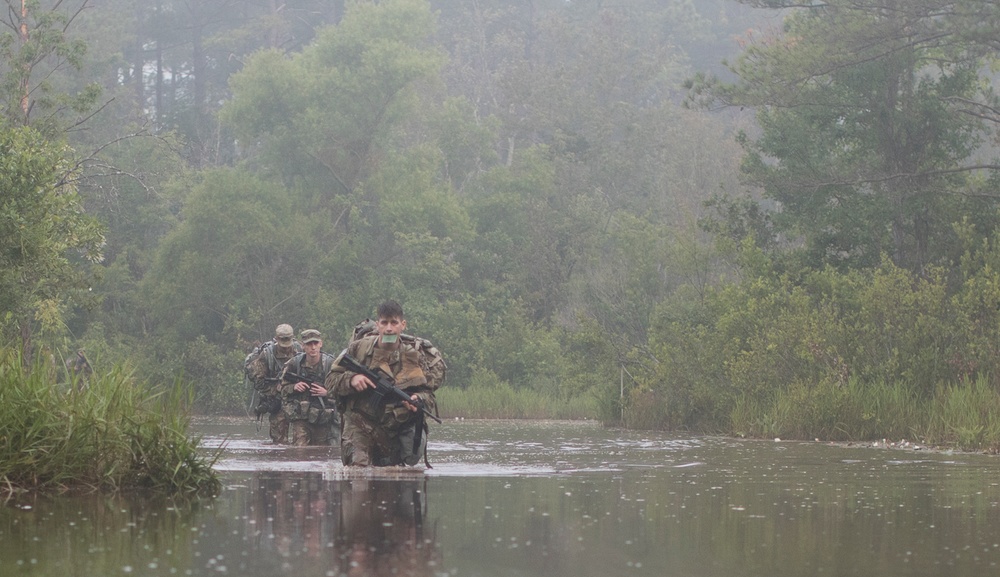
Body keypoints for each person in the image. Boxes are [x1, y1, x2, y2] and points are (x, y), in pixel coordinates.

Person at [327, 300, 445, 466]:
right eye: (384, 323)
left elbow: (429, 394)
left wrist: (418, 399)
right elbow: (330, 382)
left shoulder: (415, 356)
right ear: (378, 325)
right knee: (358, 475)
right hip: (359, 425)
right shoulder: (358, 349)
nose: (389, 328)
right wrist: (351, 380)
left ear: (402, 325)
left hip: (394, 430)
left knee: (392, 482)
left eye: (394, 323)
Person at [279, 329, 338, 446]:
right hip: (301, 417)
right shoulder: (294, 364)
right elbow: (281, 389)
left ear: (321, 344)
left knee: (321, 453)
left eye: (315, 343)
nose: (313, 347)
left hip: (323, 418)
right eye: (309, 344)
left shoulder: (331, 364)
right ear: (302, 346)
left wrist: (327, 393)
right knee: (300, 451)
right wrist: (294, 387)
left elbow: (343, 390)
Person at [248, 324, 302, 443]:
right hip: (277, 400)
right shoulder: (266, 355)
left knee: (301, 442)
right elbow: (259, 383)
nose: (286, 348)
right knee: (279, 442)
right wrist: (277, 389)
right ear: (276, 339)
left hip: (297, 399)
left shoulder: (300, 351)